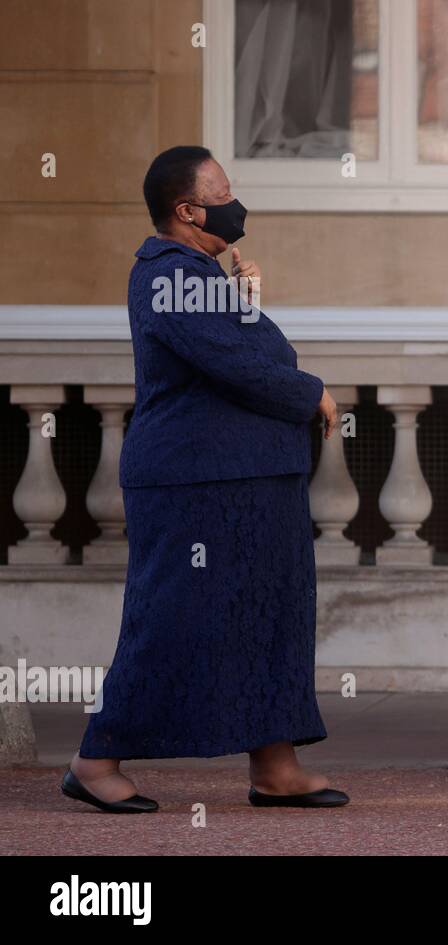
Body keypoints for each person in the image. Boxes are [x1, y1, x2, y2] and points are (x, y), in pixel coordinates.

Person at [61, 146, 348, 812]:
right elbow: (241, 367)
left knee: (268, 618)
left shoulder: (201, 274)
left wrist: (244, 301)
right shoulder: (167, 273)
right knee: (172, 619)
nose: (234, 200)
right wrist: (313, 393)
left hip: (244, 479)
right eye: (221, 190)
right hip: (195, 484)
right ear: (187, 209)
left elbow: (248, 349)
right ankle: (94, 756)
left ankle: (275, 764)